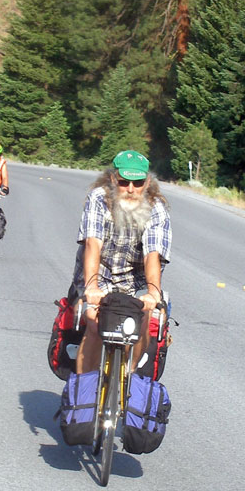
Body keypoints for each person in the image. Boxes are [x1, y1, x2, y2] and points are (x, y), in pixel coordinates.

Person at [69, 149, 172, 374]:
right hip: (101, 273)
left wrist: (153, 293)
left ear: (147, 182)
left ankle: (127, 376)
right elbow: (92, 244)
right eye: (124, 182)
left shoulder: (157, 208)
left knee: (142, 319)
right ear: (113, 178)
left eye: (138, 182)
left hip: (136, 280)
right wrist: (92, 287)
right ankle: (81, 397)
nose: (131, 189)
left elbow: (152, 254)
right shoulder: (99, 198)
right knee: (94, 323)